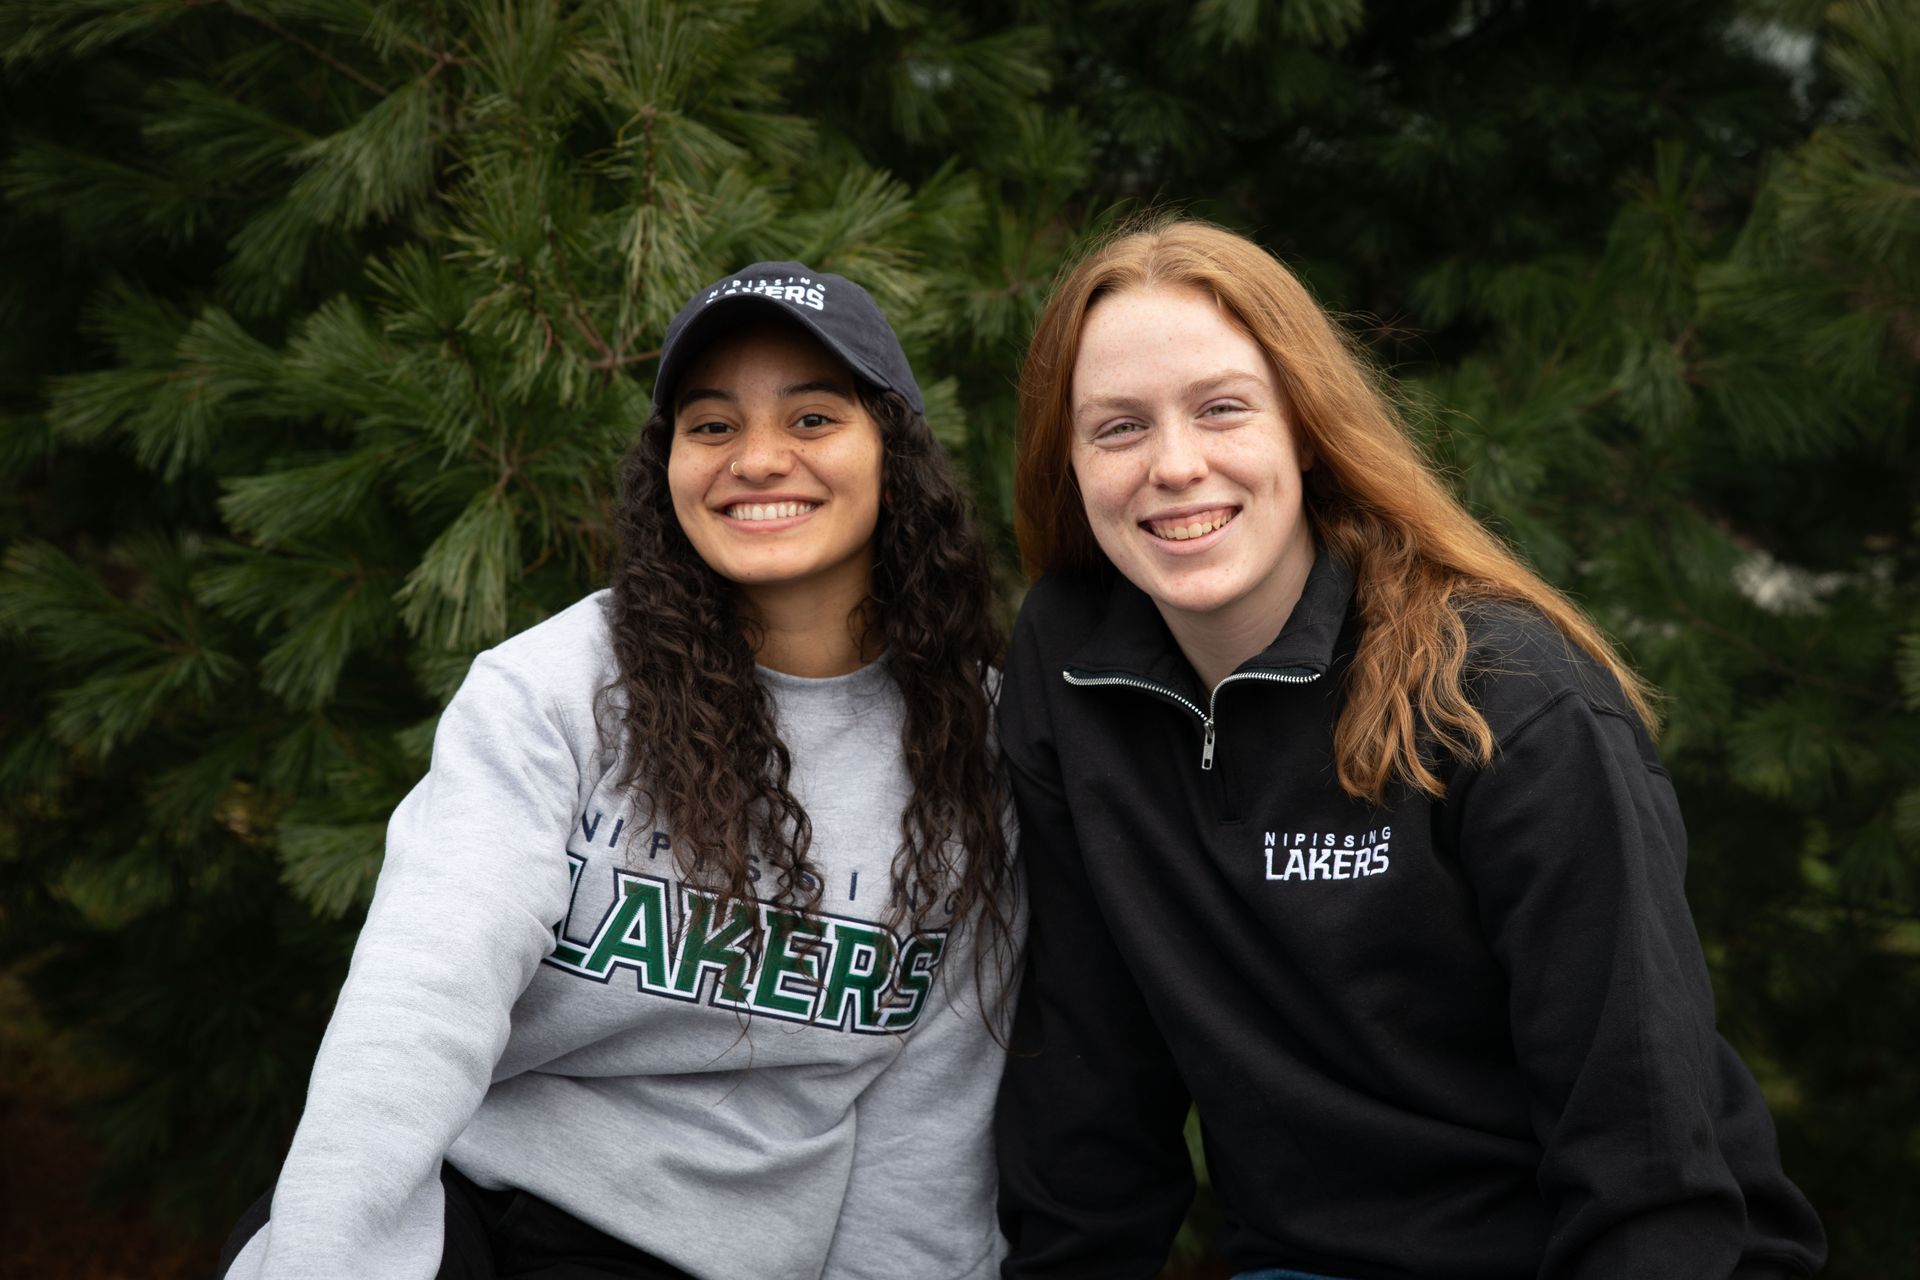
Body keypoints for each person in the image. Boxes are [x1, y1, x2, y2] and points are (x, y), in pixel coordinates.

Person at [992, 219, 1826, 1280]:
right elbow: (1089, 1100)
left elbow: (1643, 1147)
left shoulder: (1506, 698)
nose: (1175, 464)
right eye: (1117, 427)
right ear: (1066, 458)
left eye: (1221, 408)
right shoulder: (1070, 664)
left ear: (1303, 424)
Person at [218, 262, 1017, 1280]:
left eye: (813, 419)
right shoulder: (551, 694)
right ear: (669, 462)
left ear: (894, 454)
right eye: (712, 424)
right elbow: (417, 1008)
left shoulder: (973, 749)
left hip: (696, 1252)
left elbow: (929, 1128)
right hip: (454, 1203)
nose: (758, 459)